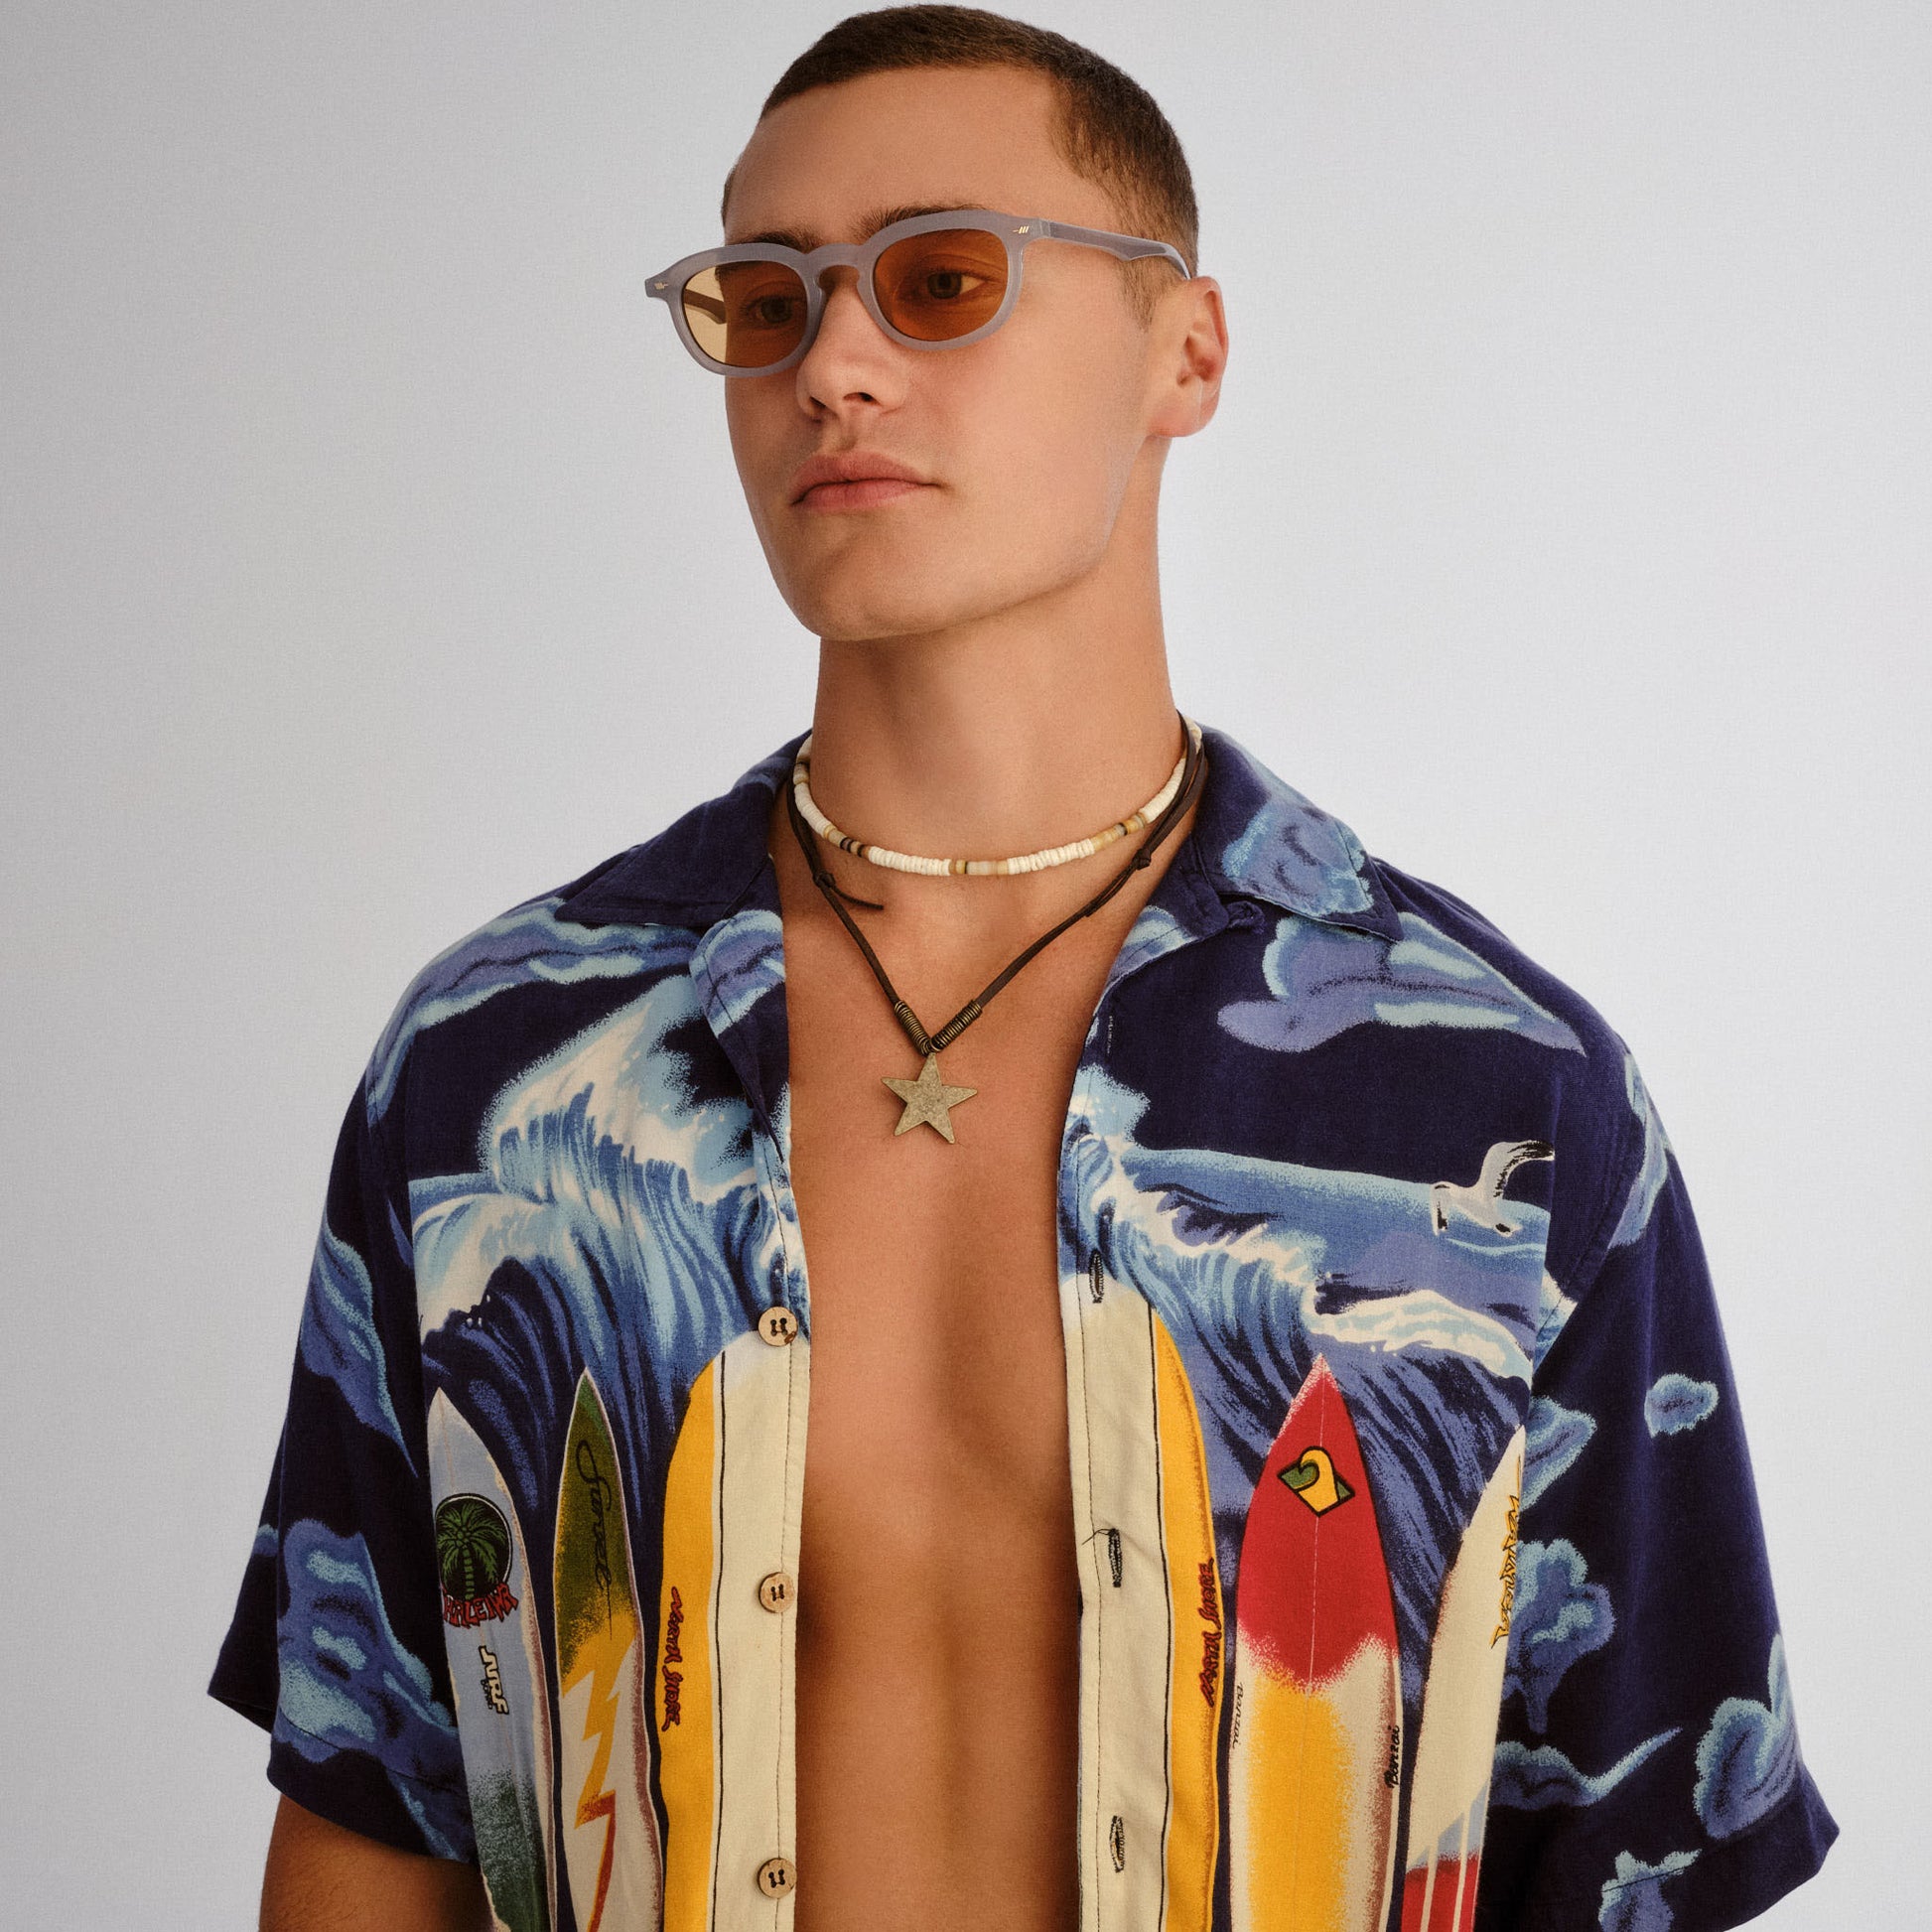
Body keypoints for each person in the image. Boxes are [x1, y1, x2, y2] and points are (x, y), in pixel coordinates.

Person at [210, 9, 1837, 1930]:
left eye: (941, 279)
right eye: (764, 300)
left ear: (1184, 350)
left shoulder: (1501, 1095)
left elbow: (1637, 1859)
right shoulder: (503, 1063)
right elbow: (377, 1816)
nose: (832, 365)